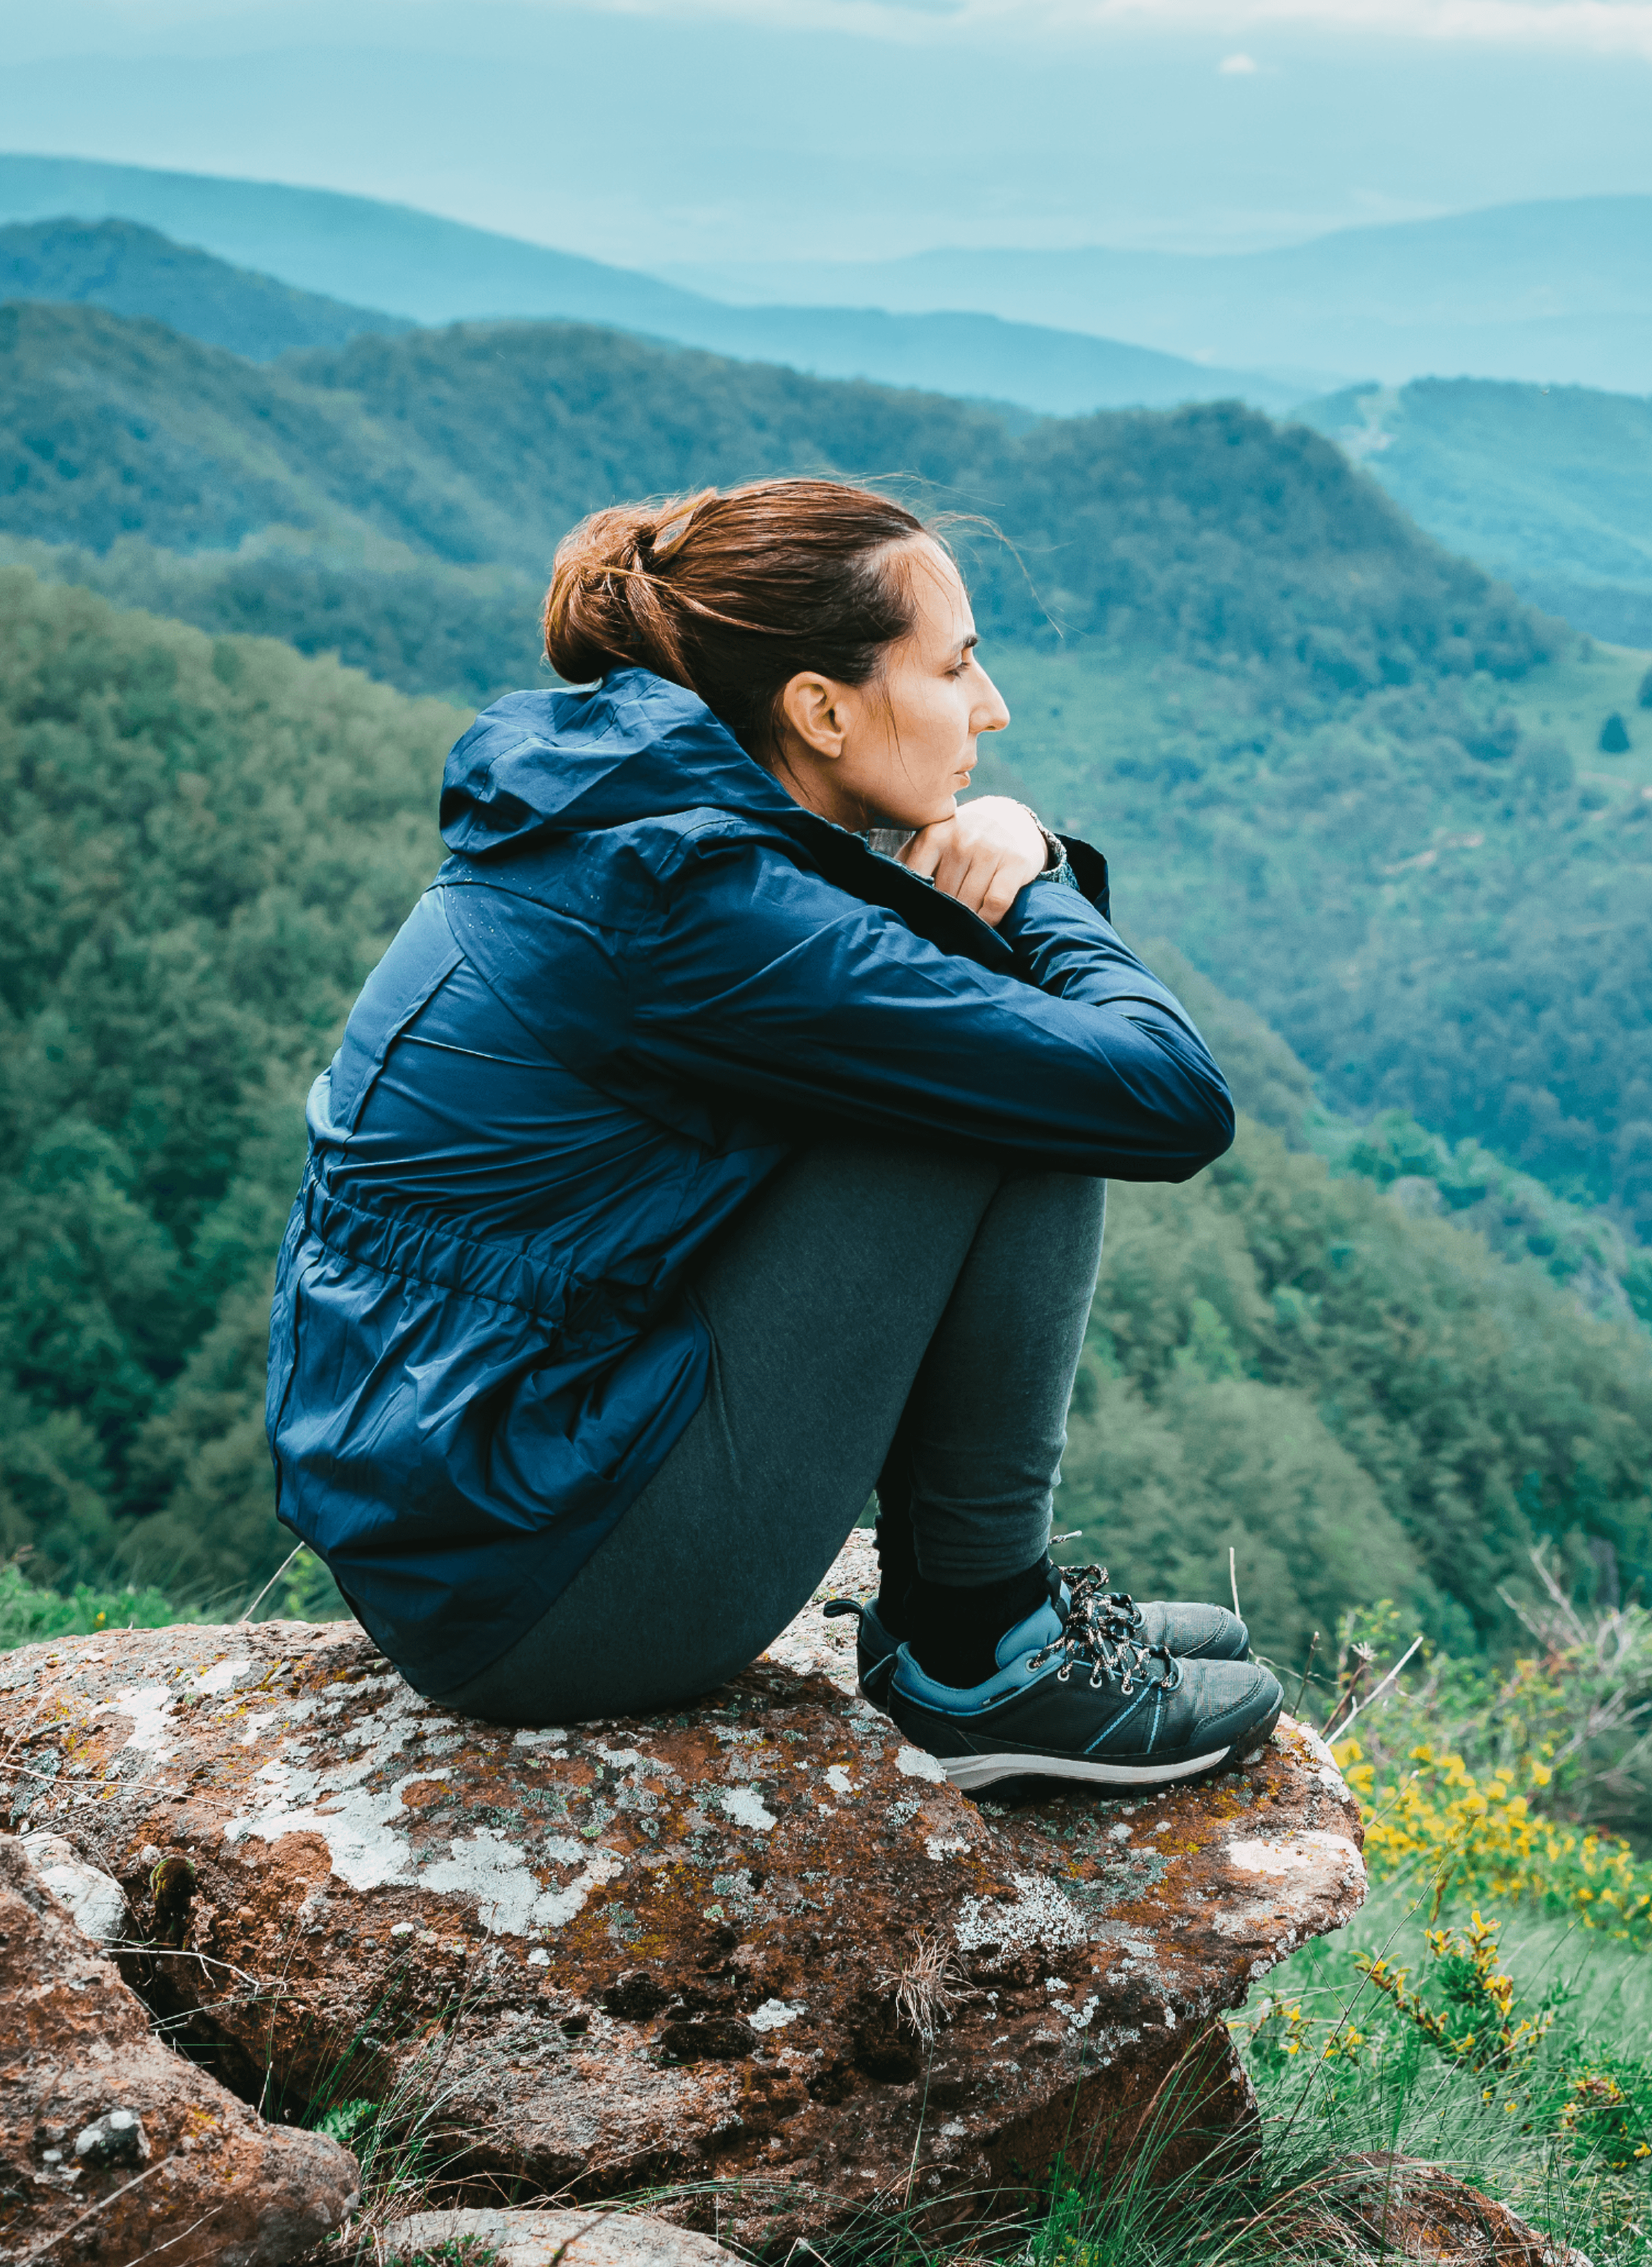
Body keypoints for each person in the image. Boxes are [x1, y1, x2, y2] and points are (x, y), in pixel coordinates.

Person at [266, 475, 1283, 1788]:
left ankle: (972, 1611)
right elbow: (1162, 1095)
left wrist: (1008, 868)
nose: (993, 709)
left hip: (465, 1506)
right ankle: (982, 1653)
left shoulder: (622, 821)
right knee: (998, 1082)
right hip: (540, 1585)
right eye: (958, 668)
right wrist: (1032, 886)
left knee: (967, 1047)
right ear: (818, 707)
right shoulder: (693, 901)